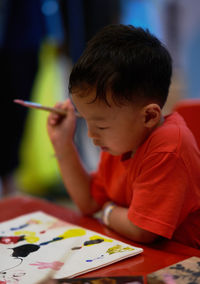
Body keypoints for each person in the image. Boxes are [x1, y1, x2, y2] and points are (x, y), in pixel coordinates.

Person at [47, 24, 200, 248]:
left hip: (185, 259)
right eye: (85, 120)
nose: (91, 135)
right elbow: (89, 202)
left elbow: (141, 230)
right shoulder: (123, 141)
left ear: (149, 116)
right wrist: (63, 145)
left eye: (101, 126)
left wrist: (107, 211)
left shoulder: (168, 147)